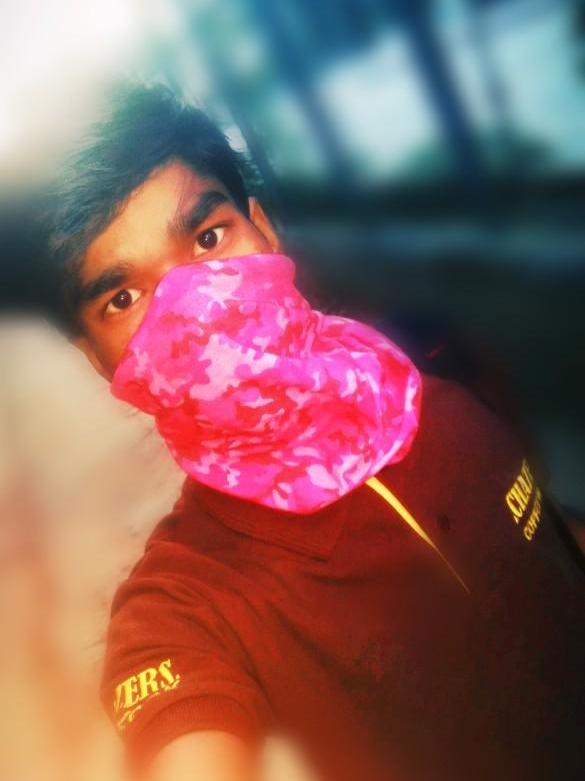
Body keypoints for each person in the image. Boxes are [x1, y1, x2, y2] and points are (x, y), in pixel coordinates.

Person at [43, 84, 584, 781]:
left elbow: (547, 537)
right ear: (98, 359)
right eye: (124, 297)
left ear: (264, 230)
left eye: (208, 238)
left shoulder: (432, 374)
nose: (199, 311)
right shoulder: (186, 606)